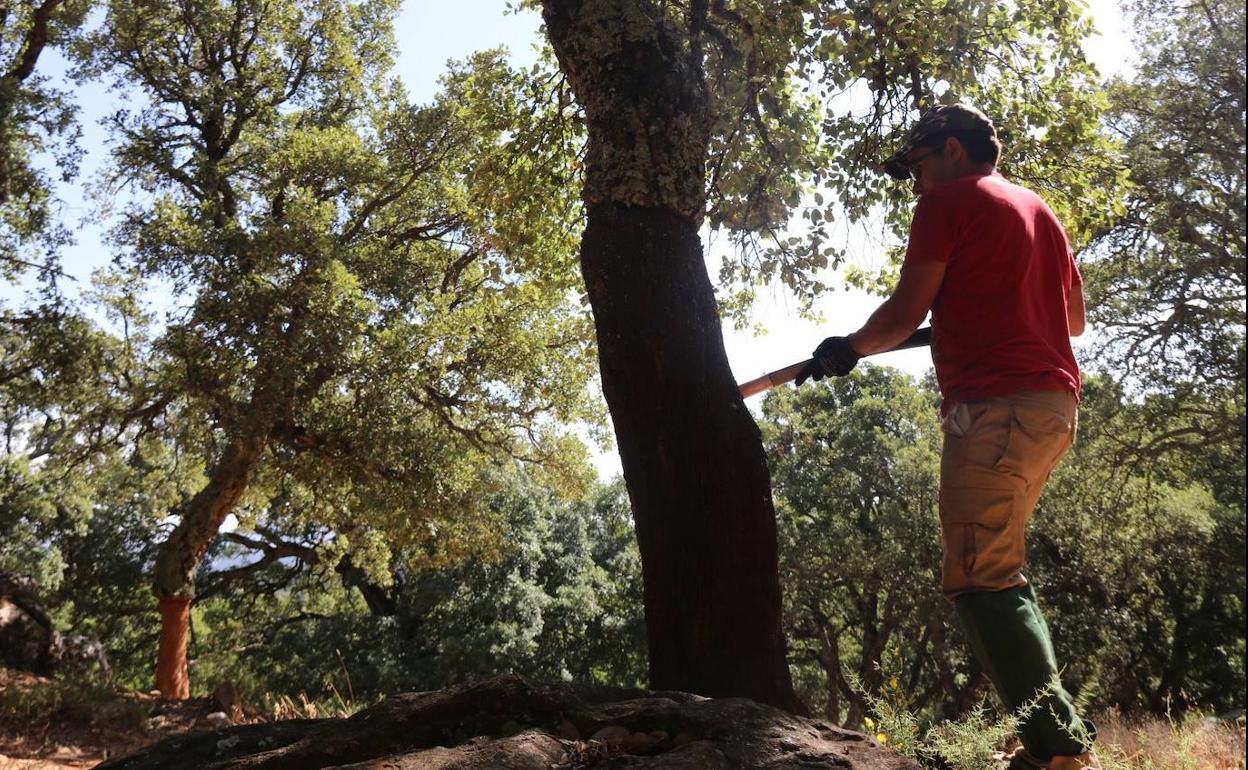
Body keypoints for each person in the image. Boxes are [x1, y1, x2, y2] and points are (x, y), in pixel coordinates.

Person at [796, 104, 1099, 770]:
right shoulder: (1039, 209)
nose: (915, 181)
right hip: (1052, 409)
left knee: (979, 577)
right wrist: (968, 313)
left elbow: (906, 311)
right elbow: (1071, 319)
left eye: (918, 164)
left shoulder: (949, 202)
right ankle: (1052, 743)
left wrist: (844, 348)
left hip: (995, 411)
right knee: (998, 569)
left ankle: (1059, 752)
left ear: (954, 151)